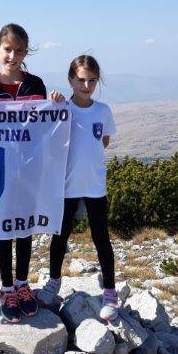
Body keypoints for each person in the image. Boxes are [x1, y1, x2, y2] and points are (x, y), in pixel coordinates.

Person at [0, 23, 50, 323]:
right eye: (7, 49)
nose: (12, 55)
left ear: (25, 52)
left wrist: (55, 105)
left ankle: (22, 284)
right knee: (5, 229)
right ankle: (7, 288)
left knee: (25, 227)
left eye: (19, 50)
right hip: (0, 172)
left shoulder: (36, 86)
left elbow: (47, 127)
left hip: (29, 171)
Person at [39, 54, 119, 321]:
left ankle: (110, 292)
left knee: (101, 239)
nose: (86, 86)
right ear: (71, 80)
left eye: (92, 80)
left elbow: (103, 141)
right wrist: (54, 104)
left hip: (95, 186)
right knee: (59, 237)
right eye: (81, 80)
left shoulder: (102, 111)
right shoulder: (62, 109)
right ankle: (53, 283)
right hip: (66, 186)